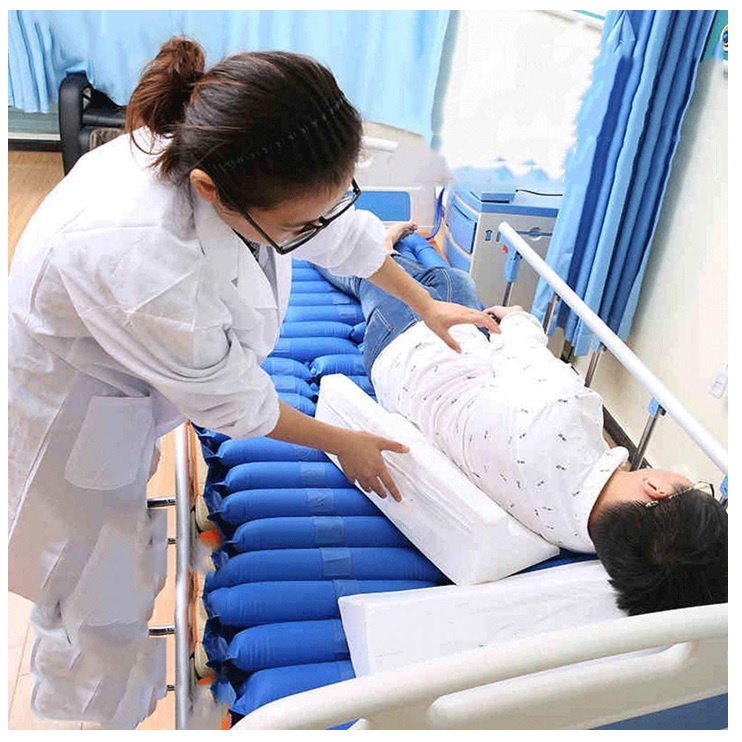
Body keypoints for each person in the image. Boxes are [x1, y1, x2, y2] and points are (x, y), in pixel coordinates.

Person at [7, 38, 500, 727]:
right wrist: (344, 443)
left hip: (126, 386)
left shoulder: (241, 156)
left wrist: (426, 303)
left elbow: (338, 235)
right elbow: (232, 400)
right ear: (212, 190)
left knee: (120, 556)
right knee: (93, 592)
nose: (314, 227)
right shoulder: (144, 257)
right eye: (297, 223)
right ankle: (100, 717)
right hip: (66, 417)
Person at [315, 241, 728, 617]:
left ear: (656, 489)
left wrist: (517, 319)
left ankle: (334, 243)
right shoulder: (576, 538)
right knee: (449, 288)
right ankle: (383, 249)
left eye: (694, 487)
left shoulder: (564, 416)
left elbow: (524, 353)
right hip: (396, 383)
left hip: (413, 343)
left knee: (439, 280)